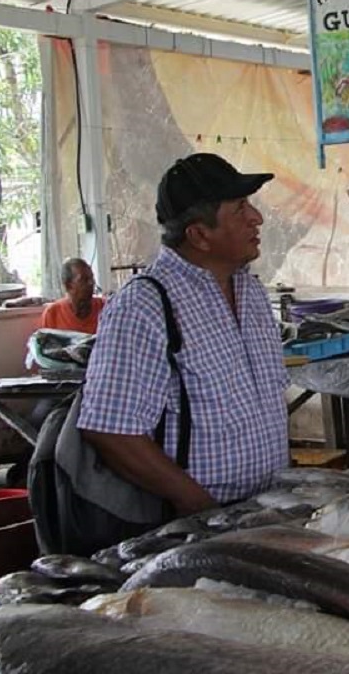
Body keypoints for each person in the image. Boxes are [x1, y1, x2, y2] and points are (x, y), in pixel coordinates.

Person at [78, 153, 289, 515]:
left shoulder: (250, 292)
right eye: (240, 209)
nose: (257, 217)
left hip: (268, 506)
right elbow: (111, 429)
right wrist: (196, 503)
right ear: (199, 235)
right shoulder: (144, 306)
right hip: (203, 520)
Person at [40, 258, 105, 334]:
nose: (91, 283)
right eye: (84, 279)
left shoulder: (104, 307)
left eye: (91, 278)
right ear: (68, 286)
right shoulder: (52, 314)